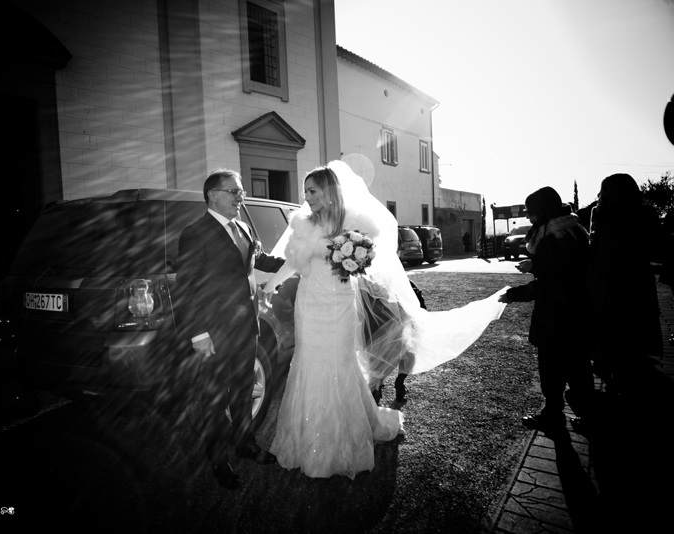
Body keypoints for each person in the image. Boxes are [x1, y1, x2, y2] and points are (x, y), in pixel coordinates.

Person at [262, 161, 506, 479]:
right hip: (309, 304)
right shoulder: (302, 224)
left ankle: (344, 437)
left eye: (312, 190)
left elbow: (373, 250)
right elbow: (293, 263)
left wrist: (356, 258)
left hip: (339, 304)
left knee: (338, 363)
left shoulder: (351, 221)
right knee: (308, 361)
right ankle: (306, 435)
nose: (307, 197)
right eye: (305, 191)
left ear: (329, 192)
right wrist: (270, 284)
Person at [175, 169, 286, 489]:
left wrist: (299, 262)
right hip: (215, 331)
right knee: (213, 398)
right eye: (234, 192)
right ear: (212, 196)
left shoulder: (243, 227)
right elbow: (187, 286)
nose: (242, 197)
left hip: (247, 327)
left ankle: (245, 444)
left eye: (242, 192)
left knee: (240, 392)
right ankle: (217, 460)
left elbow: (260, 260)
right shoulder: (195, 232)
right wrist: (198, 334)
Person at [498, 186, 594, 435]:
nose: (528, 218)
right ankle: (585, 415)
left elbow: (553, 283)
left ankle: (555, 415)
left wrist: (514, 294)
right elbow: (566, 268)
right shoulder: (572, 229)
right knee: (578, 367)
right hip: (577, 314)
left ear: (542, 211)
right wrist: (536, 264)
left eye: (530, 213)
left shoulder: (552, 237)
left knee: (554, 370)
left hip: (558, 318)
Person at [586, 173, 664, 395]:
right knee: (604, 338)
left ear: (627, 190)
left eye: (614, 189)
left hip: (631, 282)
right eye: (605, 189)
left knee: (629, 339)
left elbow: (655, 248)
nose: (609, 194)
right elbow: (594, 248)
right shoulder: (598, 213)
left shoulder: (643, 214)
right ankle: (612, 388)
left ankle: (622, 393)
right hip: (602, 280)